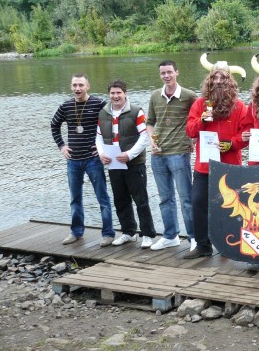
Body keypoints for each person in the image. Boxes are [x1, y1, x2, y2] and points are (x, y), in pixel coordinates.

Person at [183, 54, 247, 259]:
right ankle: (203, 246)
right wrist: (202, 120)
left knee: (231, 206)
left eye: (223, 79)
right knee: (198, 202)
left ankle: (229, 245)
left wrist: (232, 144)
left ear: (230, 81)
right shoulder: (200, 103)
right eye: (215, 78)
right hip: (204, 165)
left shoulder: (239, 106)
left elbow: (246, 135)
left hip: (229, 165)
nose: (218, 82)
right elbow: (190, 132)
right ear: (210, 81)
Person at [51, 73, 115, 247]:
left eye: (81, 85)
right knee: (75, 198)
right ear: (71, 87)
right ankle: (77, 232)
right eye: (74, 85)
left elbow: (112, 123)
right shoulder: (66, 106)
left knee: (102, 197)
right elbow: (54, 125)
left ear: (88, 86)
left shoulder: (99, 104)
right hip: (73, 160)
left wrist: (103, 146)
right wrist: (62, 146)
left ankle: (108, 234)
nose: (77, 88)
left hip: (93, 159)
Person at [96, 79, 157, 249]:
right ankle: (129, 232)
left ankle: (147, 235)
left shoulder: (136, 111)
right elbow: (99, 137)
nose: (116, 96)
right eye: (113, 93)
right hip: (114, 163)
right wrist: (102, 154)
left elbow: (144, 137)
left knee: (141, 200)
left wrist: (129, 155)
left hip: (134, 163)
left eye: (119, 93)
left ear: (125, 94)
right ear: (109, 95)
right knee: (120, 200)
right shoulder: (103, 113)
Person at [146, 60, 197, 251]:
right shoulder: (154, 96)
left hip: (179, 153)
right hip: (157, 154)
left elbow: (198, 121)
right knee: (165, 198)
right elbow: (150, 122)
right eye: (163, 73)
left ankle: (193, 237)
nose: (166, 76)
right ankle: (170, 236)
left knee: (186, 198)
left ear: (177, 72)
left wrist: (194, 141)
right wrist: (151, 139)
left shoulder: (189, 96)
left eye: (169, 72)